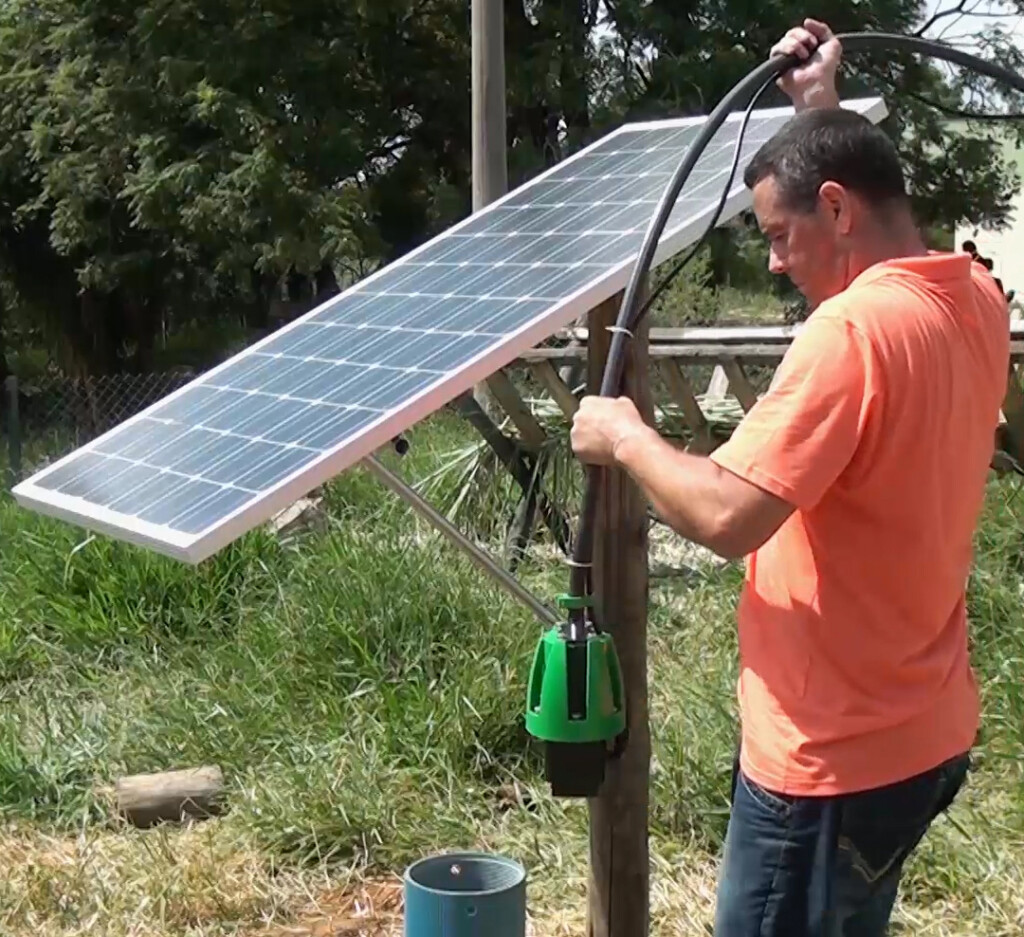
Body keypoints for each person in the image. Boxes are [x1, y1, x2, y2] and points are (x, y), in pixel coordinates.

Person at [569, 17, 1010, 937]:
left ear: (837, 210)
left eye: (778, 234)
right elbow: (875, 209)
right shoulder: (972, 298)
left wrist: (626, 435)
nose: (773, 260)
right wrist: (819, 109)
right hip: (919, 733)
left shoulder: (848, 335)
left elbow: (728, 515)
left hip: (828, 764)